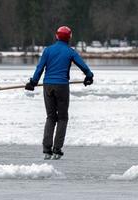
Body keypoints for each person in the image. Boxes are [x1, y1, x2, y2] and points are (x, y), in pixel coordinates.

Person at [25, 26, 94, 160]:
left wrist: (33, 82)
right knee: (62, 118)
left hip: (48, 86)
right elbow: (83, 66)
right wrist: (89, 76)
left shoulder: (48, 51)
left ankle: (47, 149)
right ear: (69, 38)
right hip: (62, 86)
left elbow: (39, 68)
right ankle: (57, 149)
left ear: (57, 36)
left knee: (51, 117)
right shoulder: (70, 52)